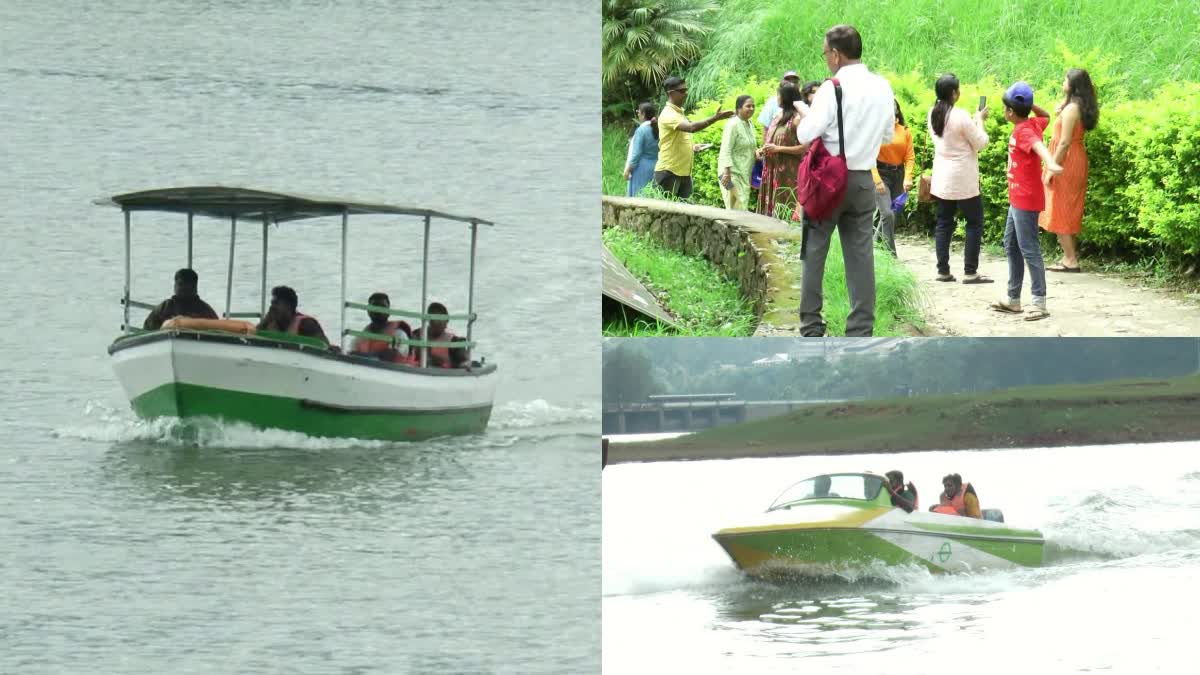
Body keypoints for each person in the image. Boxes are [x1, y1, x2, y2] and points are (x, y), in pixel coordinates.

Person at [795, 24, 896, 338]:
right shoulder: (883, 86)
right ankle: (860, 331)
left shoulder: (832, 87)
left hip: (828, 182)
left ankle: (811, 327)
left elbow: (804, 134)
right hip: (864, 181)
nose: (826, 59)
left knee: (814, 251)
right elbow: (888, 135)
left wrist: (805, 115)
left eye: (826, 53)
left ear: (836, 54)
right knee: (861, 256)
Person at [990, 82, 1064, 321]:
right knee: (1011, 244)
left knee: (1029, 248)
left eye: (1005, 108)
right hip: (1017, 198)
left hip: (1025, 198)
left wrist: (1050, 161)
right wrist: (1029, 104)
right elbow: (1045, 115)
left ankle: (1039, 301)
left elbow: (1038, 146)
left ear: (1010, 112)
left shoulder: (1025, 130)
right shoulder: (1033, 122)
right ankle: (1013, 299)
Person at [928, 74, 992, 283]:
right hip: (963, 177)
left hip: (943, 178)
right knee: (974, 222)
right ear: (954, 93)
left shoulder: (933, 113)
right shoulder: (961, 115)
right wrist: (980, 121)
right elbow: (980, 143)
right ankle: (970, 271)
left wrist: (973, 122)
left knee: (944, 223)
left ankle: (943, 270)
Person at [1041, 68, 1099, 273]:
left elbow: (1064, 142)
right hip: (1076, 158)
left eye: (1065, 79)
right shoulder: (1076, 106)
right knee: (1067, 207)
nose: (1062, 82)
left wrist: (1051, 168)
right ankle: (1069, 256)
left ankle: (1070, 259)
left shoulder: (1071, 109)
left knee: (1059, 208)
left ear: (1073, 85)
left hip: (1065, 160)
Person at [654, 75, 734, 199]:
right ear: (671, 93)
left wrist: (693, 147)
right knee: (665, 213)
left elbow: (677, 138)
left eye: (686, 90)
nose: (685, 93)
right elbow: (691, 128)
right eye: (681, 91)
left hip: (684, 173)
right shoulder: (668, 114)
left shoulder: (679, 112)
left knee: (684, 213)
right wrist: (715, 118)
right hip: (669, 172)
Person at [756, 82, 807, 220]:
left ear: (786, 97)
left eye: (779, 95)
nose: (777, 97)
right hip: (771, 170)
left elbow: (805, 148)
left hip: (788, 172)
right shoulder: (778, 116)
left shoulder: (797, 120)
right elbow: (771, 139)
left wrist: (778, 149)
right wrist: (763, 149)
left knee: (785, 204)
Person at [871, 98, 915, 256]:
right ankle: (891, 255)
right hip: (881, 174)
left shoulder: (905, 131)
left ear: (897, 110)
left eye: (893, 106)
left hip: (899, 175)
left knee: (894, 213)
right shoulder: (875, 130)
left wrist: (908, 177)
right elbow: (869, 157)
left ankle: (875, 244)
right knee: (887, 214)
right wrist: (876, 180)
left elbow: (909, 157)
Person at [717, 95, 758, 210]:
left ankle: (732, 228)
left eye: (753, 106)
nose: (751, 109)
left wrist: (756, 153)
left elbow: (748, 146)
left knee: (739, 206)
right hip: (730, 174)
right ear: (739, 108)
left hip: (744, 174)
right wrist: (726, 173)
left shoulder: (749, 124)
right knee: (737, 204)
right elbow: (726, 149)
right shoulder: (732, 124)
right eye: (748, 106)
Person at [142, 268, 219, 330]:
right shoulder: (164, 308)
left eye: (188, 285)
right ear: (175, 286)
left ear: (195, 287)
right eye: (181, 284)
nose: (184, 288)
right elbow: (147, 330)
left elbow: (218, 333)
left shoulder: (205, 311)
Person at [350, 292, 413, 363]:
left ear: (389, 311)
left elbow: (391, 355)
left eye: (382, 306)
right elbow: (351, 356)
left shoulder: (399, 335)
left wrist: (363, 356)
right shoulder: (359, 338)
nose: (378, 310)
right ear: (368, 311)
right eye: (375, 306)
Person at [257, 285, 330, 345]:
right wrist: (265, 321)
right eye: (272, 303)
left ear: (288, 306)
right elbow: (254, 334)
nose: (272, 307)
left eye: (276, 303)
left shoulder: (307, 323)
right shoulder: (269, 322)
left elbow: (324, 345)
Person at [412, 302, 465, 368]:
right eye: (437, 321)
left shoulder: (454, 341)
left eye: (445, 321)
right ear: (430, 321)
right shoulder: (416, 335)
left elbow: (462, 361)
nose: (444, 325)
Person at [624, 102, 660, 197]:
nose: (638, 114)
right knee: (651, 194)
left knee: (639, 195)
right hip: (655, 166)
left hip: (642, 168)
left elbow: (636, 154)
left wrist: (628, 169)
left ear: (643, 114)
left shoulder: (641, 130)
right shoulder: (657, 129)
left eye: (638, 112)